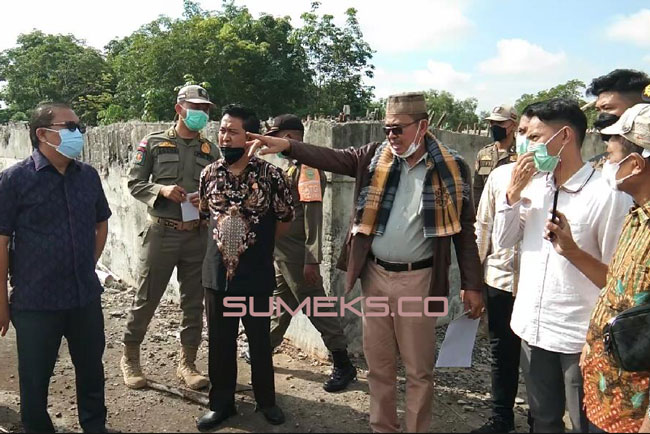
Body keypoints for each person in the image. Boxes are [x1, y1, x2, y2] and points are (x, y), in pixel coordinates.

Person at [246, 92, 484, 433]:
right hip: (375, 276)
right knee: (380, 366)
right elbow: (329, 157)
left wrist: (473, 285)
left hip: (419, 280)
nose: (391, 136)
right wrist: (285, 145)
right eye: (387, 128)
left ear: (423, 127)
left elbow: (465, 230)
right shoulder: (374, 157)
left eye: (399, 129)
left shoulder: (450, 167)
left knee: (418, 370)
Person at [494, 98, 632, 433]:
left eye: (537, 137)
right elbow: (502, 241)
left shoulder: (606, 195)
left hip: (579, 337)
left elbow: (618, 279)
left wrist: (571, 250)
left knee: (587, 424)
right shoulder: (533, 188)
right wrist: (512, 195)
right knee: (543, 419)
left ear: (566, 136)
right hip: (532, 328)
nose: (527, 145)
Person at [0, 103, 111, 433]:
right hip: (36, 301)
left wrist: (86, 264)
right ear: (43, 134)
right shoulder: (14, 180)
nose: (79, 133)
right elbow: (1, 242)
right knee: (35, 379)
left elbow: (101, 223)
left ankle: (95, 427)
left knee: (91, 371)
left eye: (81, 127)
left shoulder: (87, 176)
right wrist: (2, 302)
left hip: (84, 297)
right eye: (70, 127)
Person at [197, 105, 294, 431]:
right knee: (219, 344)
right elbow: (204, 215)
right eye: (222, 130)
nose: (224, 136)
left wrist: (255, 247)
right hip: (216, 276)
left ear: (250, 136)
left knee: (259, 342)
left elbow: (284, 220)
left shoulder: (272, 176)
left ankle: (266, 401)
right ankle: (221, 404)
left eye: (232, 131)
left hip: (255, 277)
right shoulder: (208, 174)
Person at [121, 85, 220, 390]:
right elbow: (134, 183)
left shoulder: (211, 150)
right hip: (162, 232)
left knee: (193, 302)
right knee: (147, 297)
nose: (201, 114)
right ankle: (130, 357)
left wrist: (205, 202)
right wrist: (160, 190)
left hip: (197, 236)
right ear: (179, 109)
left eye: (205, 109)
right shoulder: (153, 143)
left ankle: (187, 364)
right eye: (195, 107)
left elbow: (218, 192)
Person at [265, 114, 357, 392]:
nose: (270, 142)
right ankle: (263, 347)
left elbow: (313, 217)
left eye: (274, 136)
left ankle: (342, 362)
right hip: (282, 251)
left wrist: (311, 258)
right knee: (281, 303)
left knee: (316, 306)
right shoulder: (292, 167)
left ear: (289, 138)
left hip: (297, 253)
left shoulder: (308, 169)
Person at [575, 104, 650, 433]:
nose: (604, 161)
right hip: (604, 390)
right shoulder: (636, 217)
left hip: (633, 413)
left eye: (610, 153)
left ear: (635, 164)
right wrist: (591, 347)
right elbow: (616, 290)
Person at [471, 112, 532, 433]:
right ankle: (501, 417)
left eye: (531, 133)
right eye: (523, 132)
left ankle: (541, 418)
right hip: (500, 277)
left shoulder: (556, 180)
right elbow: (483, 227)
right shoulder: (498, 175)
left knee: (536, 359)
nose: (525, 138)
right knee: (501, 353)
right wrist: (473, 281)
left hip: (537, 286)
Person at [587, 69, 650, 167]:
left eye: (607, 108)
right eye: (598, 110)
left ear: (640, 108)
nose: (601, 116)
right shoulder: (608, 164)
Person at [473, 104, 519, 209]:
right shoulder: (484, 154)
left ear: (514, 125)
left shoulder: (521, 154)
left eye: (500, 122)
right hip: (487, 213)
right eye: (492, 122)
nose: (494, 126)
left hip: (511, 212)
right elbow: (477, 189)